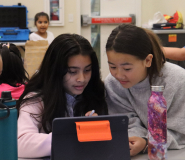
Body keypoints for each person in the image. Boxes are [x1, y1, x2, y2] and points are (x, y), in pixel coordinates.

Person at [17, 34, 107, 158]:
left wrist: (100, 130)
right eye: (72, 71)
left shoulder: (97, 92)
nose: (81, 79)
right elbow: (21, 143)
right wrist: (77, 134)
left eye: (87, 70)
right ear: (56, 70)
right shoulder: (36, 99)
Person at [105, 24, 185, 157]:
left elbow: (180, 131)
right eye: (112, 66)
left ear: (148, 60)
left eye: (127, 69)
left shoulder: (178, 80)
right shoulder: (113, 83)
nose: (118, 75)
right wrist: (135, 141)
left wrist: (147, 142)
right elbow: (126, 123)